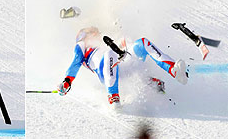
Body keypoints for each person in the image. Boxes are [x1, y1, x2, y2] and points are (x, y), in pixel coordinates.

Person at [57, 27, 188, 106]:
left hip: (121, 66)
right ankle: (113, 96)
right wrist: (67, 81)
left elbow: (125, 47)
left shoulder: (106, 40)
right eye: (91, 32)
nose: (95, 33)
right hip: (105, 72)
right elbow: (75, 63)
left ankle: (173, 70)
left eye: (96, 31)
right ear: (84, 36)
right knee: (109, 53)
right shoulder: (82, 45)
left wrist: (124, 42)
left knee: (142, 42)